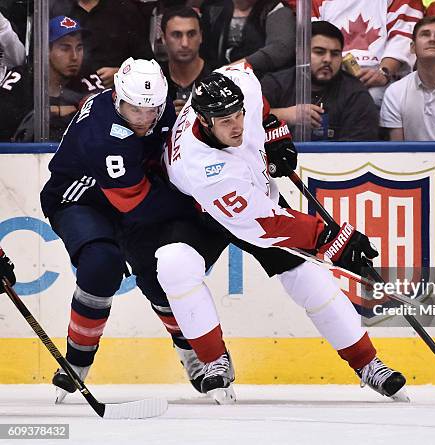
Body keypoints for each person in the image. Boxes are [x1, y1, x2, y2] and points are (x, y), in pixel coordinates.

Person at [156, 63, 409, 403]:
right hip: (199, 211)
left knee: (306, 277)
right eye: (226, 122)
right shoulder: (202, 167)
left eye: (239, 115)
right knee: (174, 265)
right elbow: (266, 225)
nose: (237, 127)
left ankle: (368, 363)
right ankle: (214, 360)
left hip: (255, 196)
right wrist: (332, 238)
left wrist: (273, 129)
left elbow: (251, 84)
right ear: (204, 121)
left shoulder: (237, 85)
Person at [39, 57, 208, 402]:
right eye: (135, 110)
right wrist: (199, 208)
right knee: (103, 263)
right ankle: (77, 362)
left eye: (152, 110)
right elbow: (138, 204)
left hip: (130, 194)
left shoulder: (160, 112)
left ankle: (193, 354)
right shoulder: (104, 134)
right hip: (81, 197)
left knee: (159, 271)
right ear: (117, 99)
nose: (145, 119)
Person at [260, 20, 379, 141]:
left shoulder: (355, 94)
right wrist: (286, 115)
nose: (328, 59)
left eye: (335, 54)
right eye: (319, 52)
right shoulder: (275, 84)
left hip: (335, 159)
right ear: (300, 53)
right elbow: (245, 121)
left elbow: (360, 151)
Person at [295, 0, 425, 107]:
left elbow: (403, 37)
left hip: (382, 78)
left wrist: (383, 72)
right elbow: (312, 40)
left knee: (371, 98)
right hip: (330, 76)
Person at [0, 16, 104, 142]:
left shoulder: (88, 78)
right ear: (46, 50)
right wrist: (67, 110)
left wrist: (52, 112)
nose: (74, 57)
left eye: (79, 48)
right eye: (65, 48)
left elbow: (106, 118)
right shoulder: (20, 79)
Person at [50, 0, 154, 88]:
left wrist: (122, 74)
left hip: (113, 97)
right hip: (65, 96)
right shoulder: (54, 9)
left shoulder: (125, 11)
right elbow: (38, 60)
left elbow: (148, 65)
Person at [200, 0, 296, 77]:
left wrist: (234, 68)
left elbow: (280, 50)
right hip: (215, 81)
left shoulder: (275, 8)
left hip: (260, 83)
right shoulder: (213, 7)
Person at [159, 7, 210, 115]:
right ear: (163, 38)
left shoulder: (217, 77)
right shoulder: (154, 79)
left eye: (191, 34)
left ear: (200, 36)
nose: (185, 43)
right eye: (177, 35)